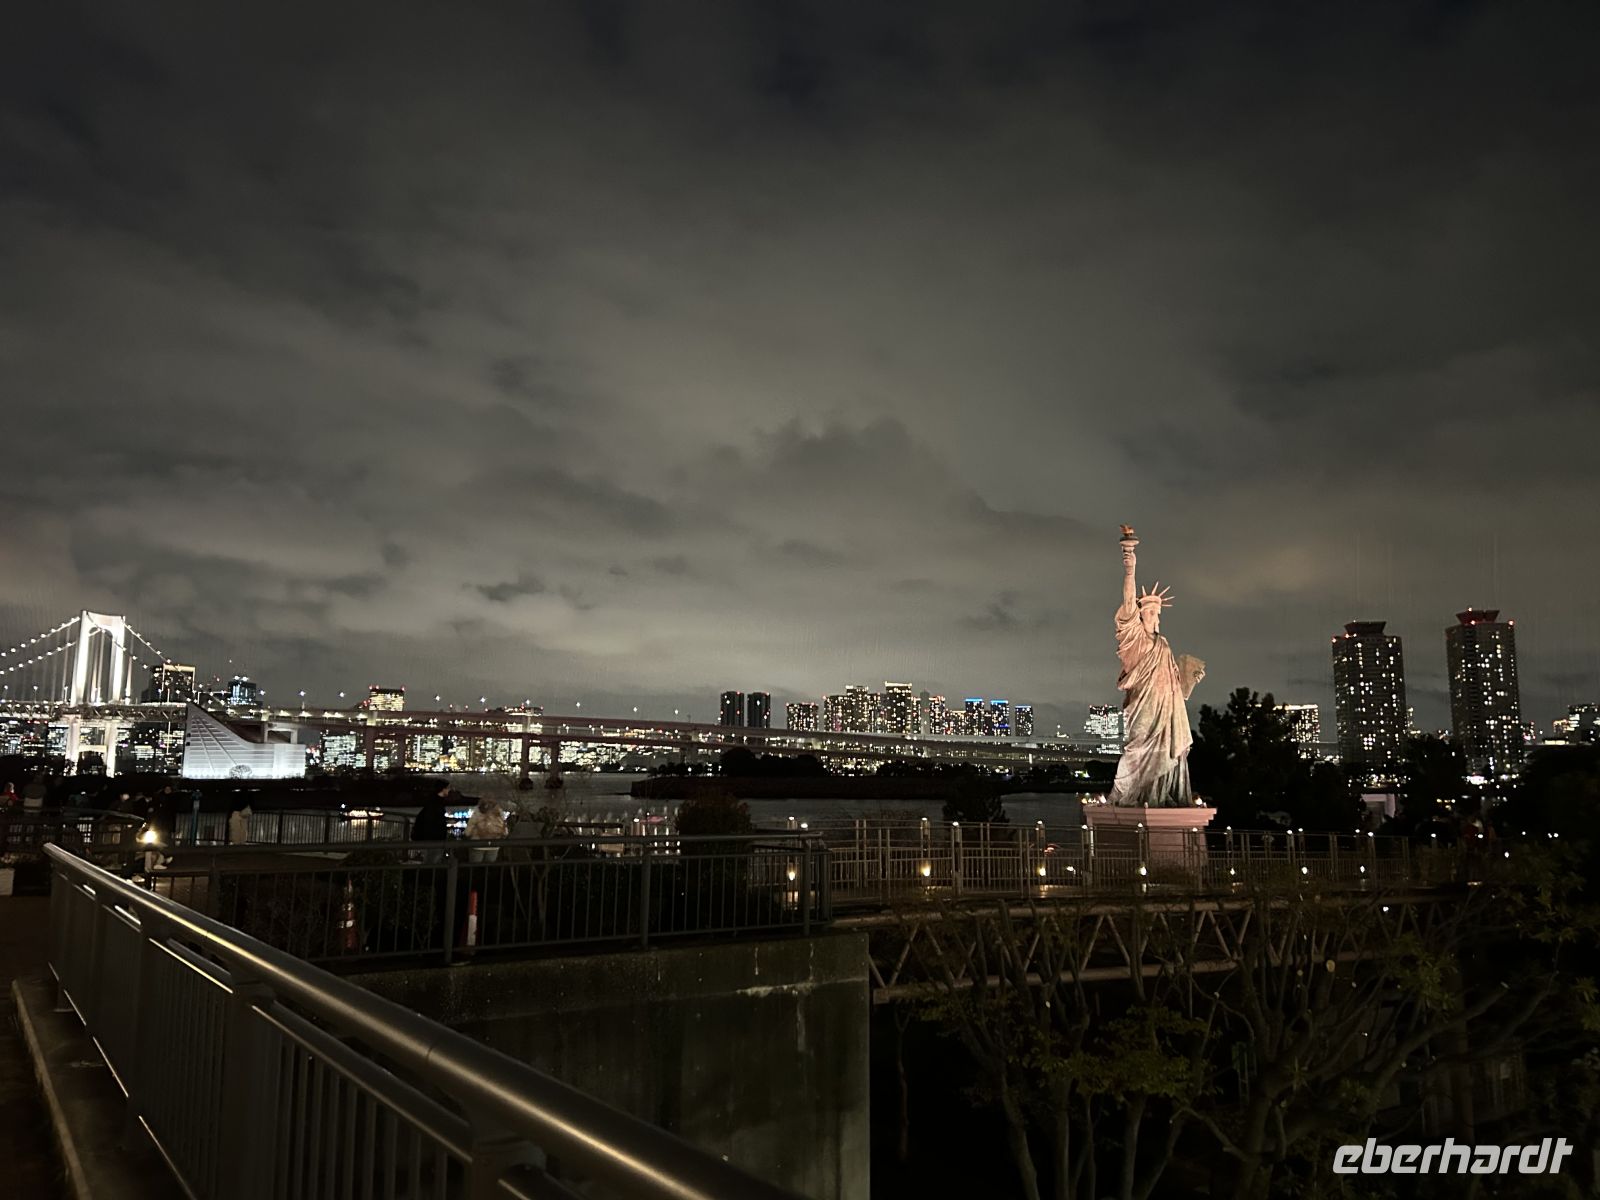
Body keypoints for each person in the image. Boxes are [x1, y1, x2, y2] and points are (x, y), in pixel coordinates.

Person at [1108, 528, 1206, 807]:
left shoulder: (1163, 645)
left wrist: (1191, 679)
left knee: (1166, 751)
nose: (1153, 616)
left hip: (1166, 710)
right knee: (1135, 750)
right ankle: (1127, 794)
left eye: (1156, 613)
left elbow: (1176, 687)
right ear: (1139, 615)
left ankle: (1159, 795)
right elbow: (1128, 600)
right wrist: (1130, 561)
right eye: (1148, 612)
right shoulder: (1133, 639)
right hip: (1143, 706)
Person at [411, 784, 450, 863]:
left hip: (430, 838)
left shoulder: (433, 802)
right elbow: (434, 821)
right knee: (432, 861)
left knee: (430, 861)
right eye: (447, 788)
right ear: (442, 790)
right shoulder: (437, 804)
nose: (449, 790)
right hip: (434, 839)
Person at [464, 798, 508, 863]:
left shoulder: (477, 812)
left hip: (477, 844)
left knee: (475, 867)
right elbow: (505, 832)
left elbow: (468, 830)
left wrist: (467, 835)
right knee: (490, 867)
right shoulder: (499, 812)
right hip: (494, 844)